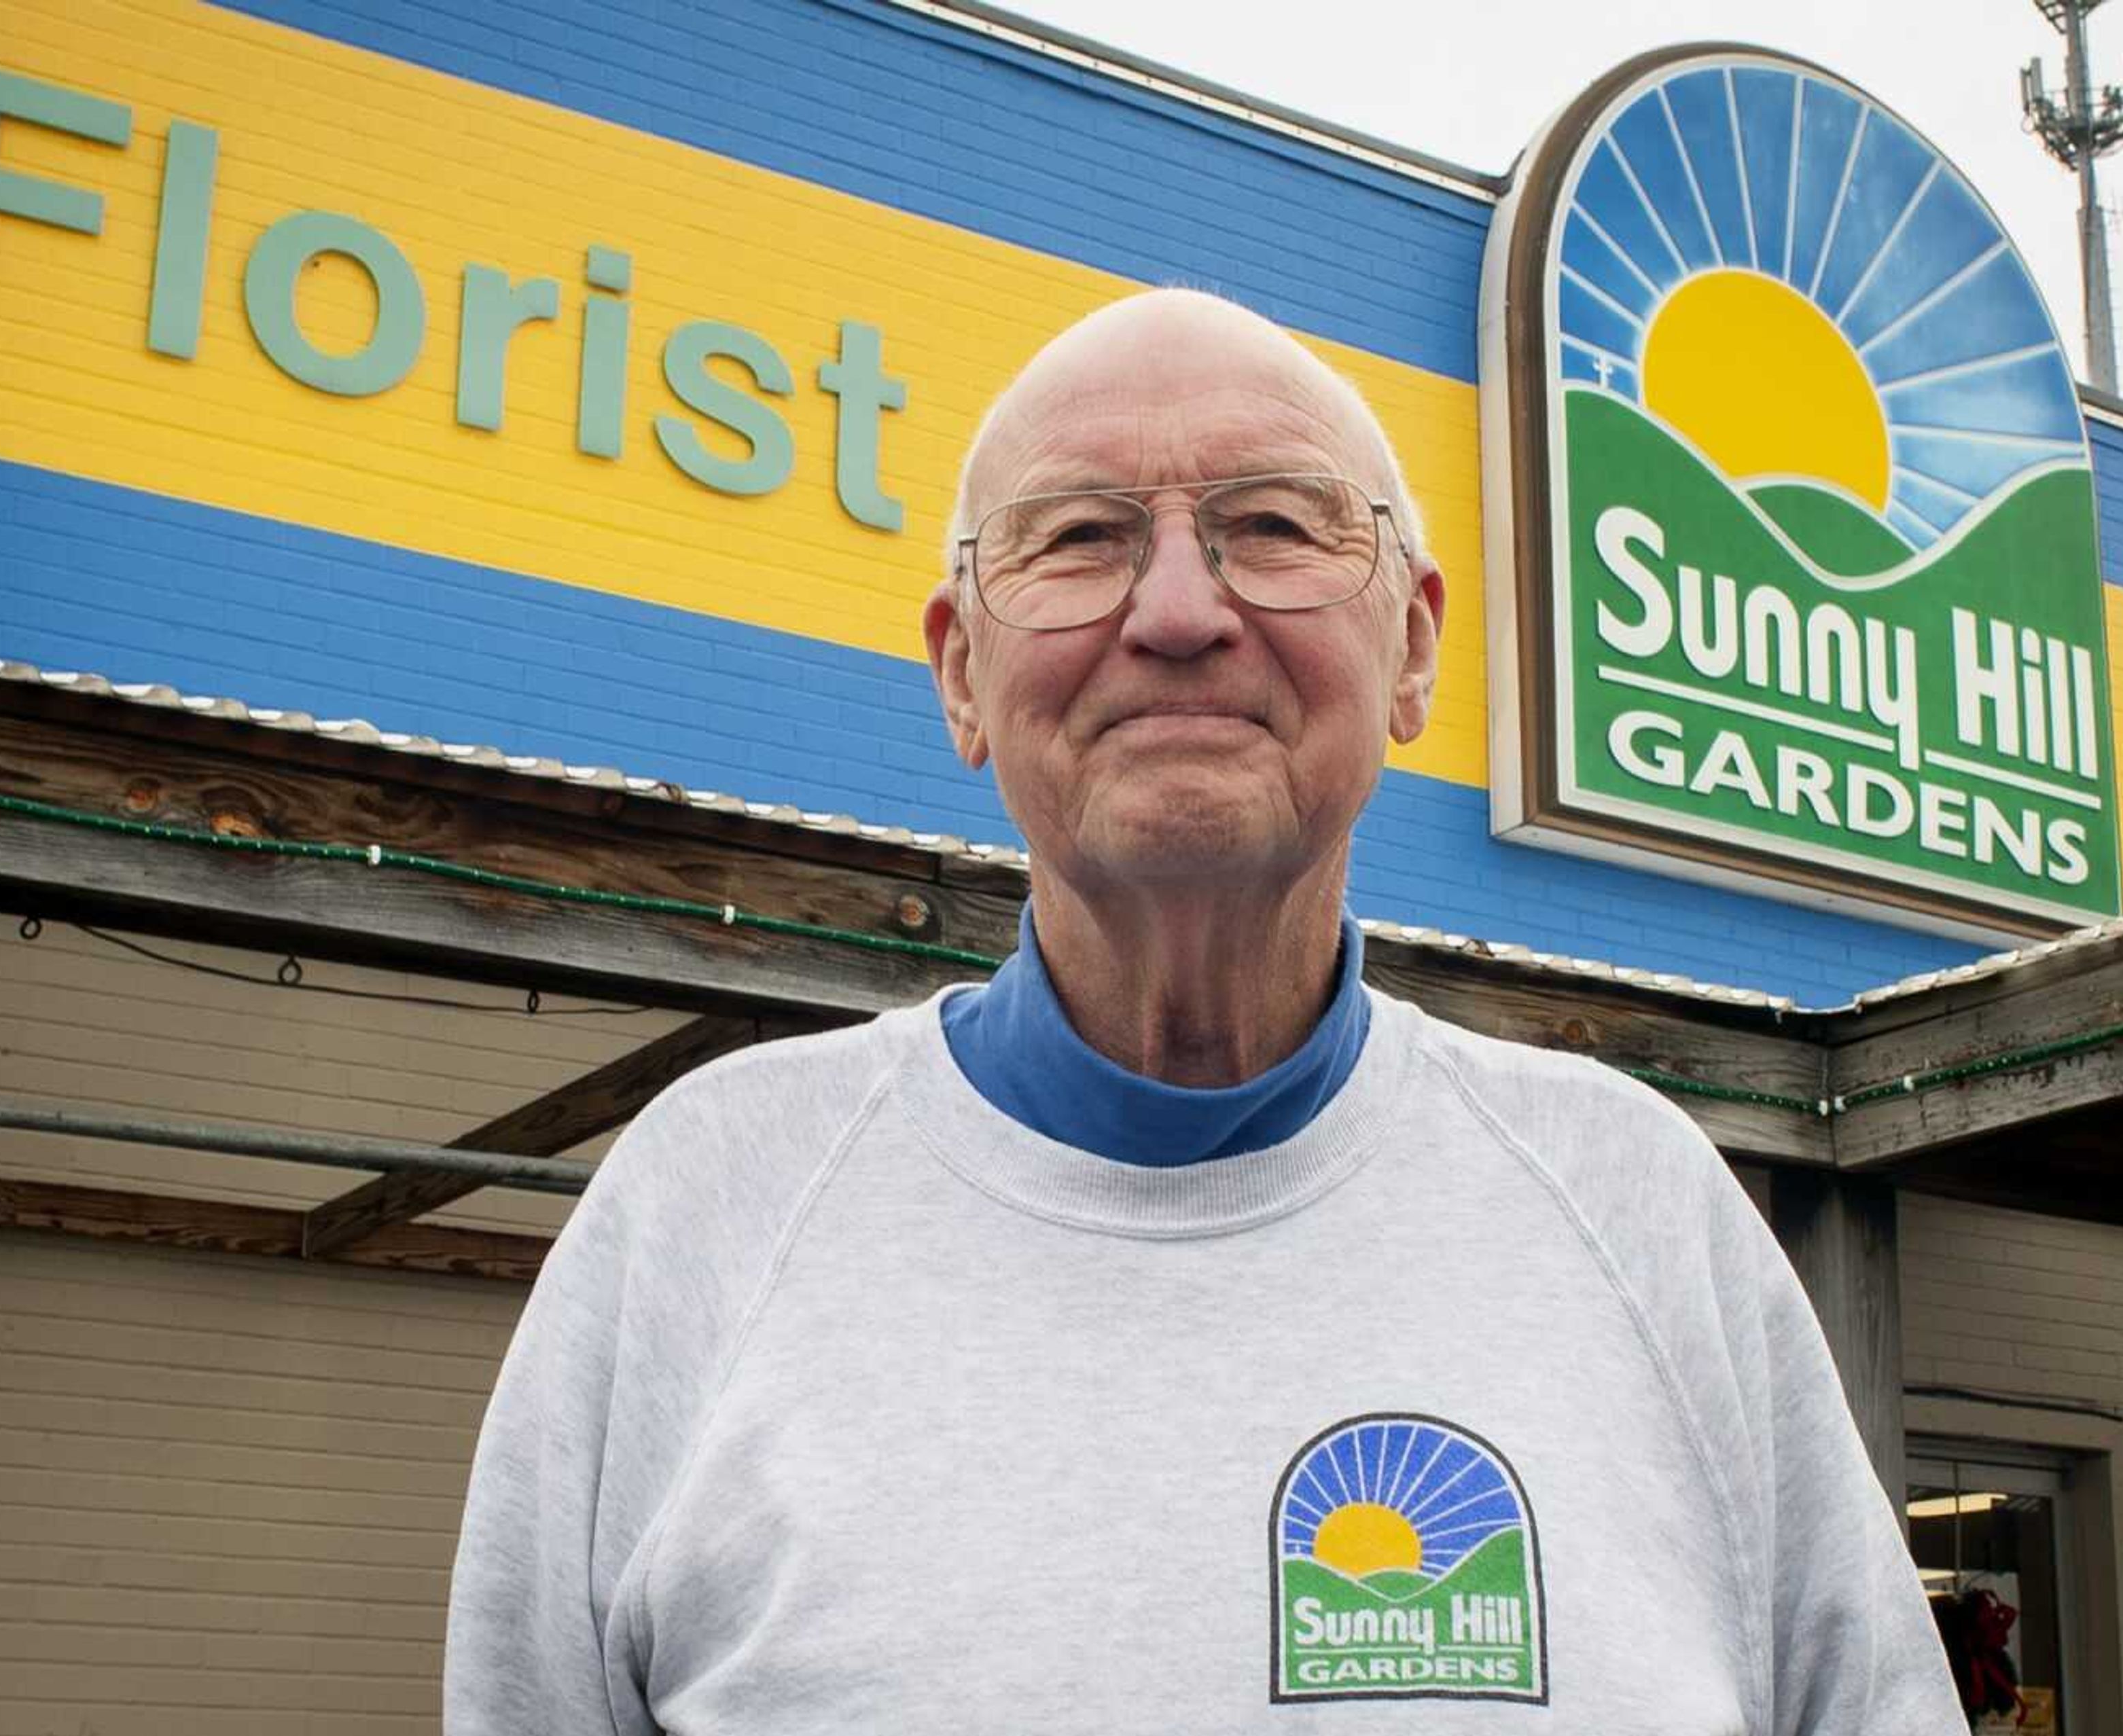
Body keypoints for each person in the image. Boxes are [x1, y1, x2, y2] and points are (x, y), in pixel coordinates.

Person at [444, 290, 1965, 1733]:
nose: (1179, 611)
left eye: (1277, 527)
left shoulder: (1647, 1218)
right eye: (1081, 537)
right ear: (961, 672)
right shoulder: (702, 1208)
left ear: (1417, 648)